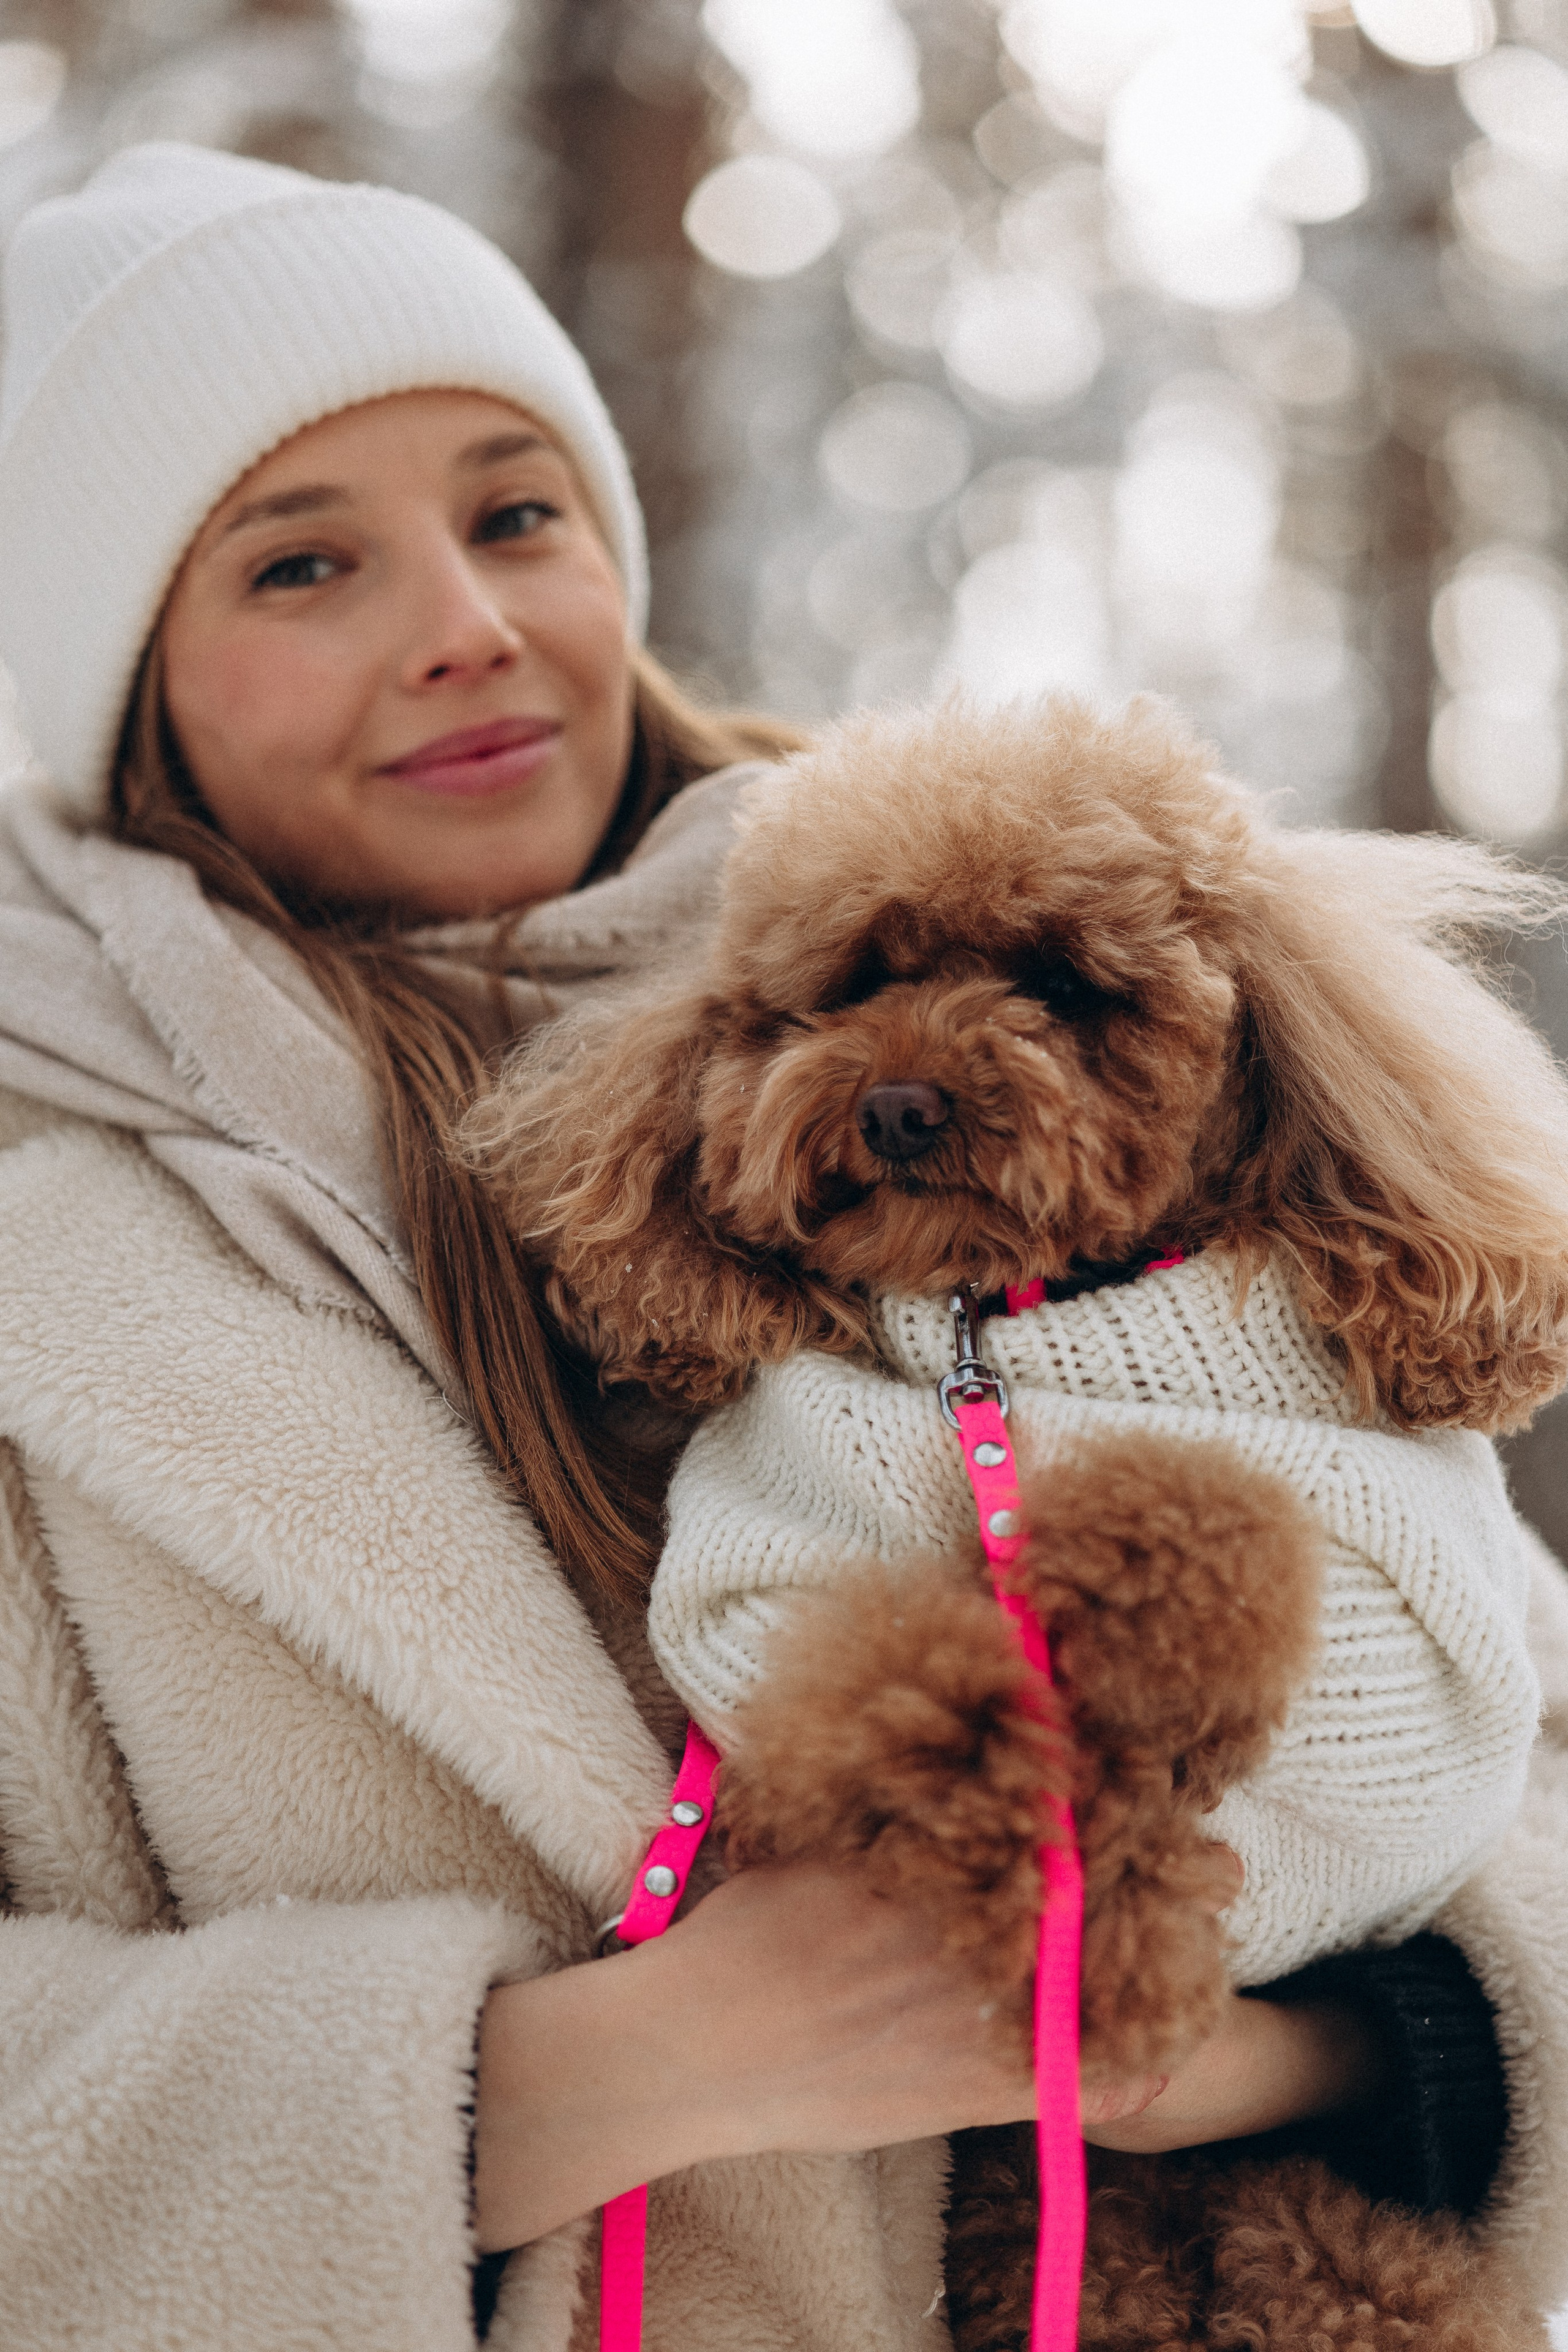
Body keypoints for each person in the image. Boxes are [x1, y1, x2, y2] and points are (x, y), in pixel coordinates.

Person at [0, 141, 1562, 2352]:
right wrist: (583, 2077)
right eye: (302, 563)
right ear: (123, 679)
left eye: (516, 509)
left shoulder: (1163, 1051)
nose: (462, 616)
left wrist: (1299, 2043)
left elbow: (1526, 1747)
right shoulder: (44, 1230)